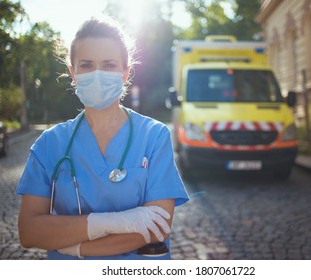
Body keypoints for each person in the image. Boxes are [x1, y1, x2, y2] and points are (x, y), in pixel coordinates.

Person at [16, 17, 189, 260]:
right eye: (86, 65)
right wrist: (113, 222)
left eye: (109, 65)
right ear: (72, 73)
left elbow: (157, 226)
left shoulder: (154, 136)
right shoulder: (49, 145)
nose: (97, 74)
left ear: (125, 73)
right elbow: (30, 231)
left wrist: (77, 248)